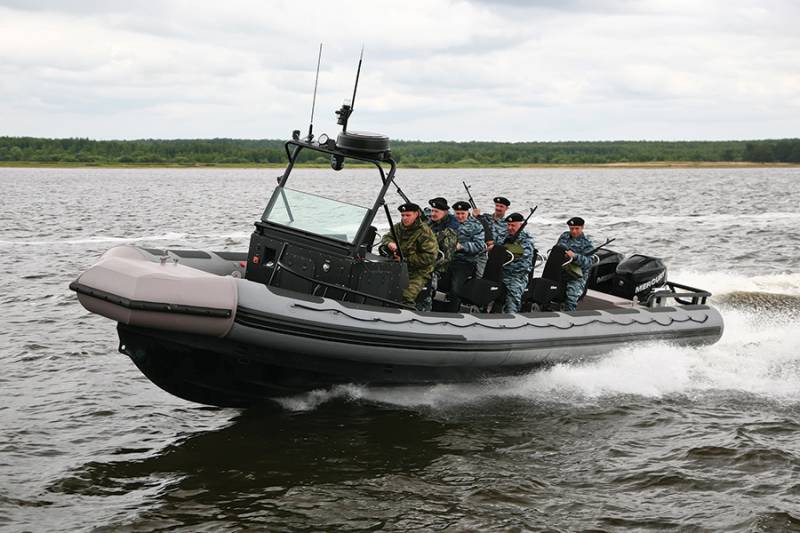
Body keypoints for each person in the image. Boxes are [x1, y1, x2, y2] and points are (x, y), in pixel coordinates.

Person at [379, 203, 439, 309]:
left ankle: (409, 313)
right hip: (398, 266)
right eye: (403, 215)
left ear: (416, 214)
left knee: (405, 296)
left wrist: (405, 259)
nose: (405, 218)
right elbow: (386, 237)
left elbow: (430, 257)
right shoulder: (398, 227)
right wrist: (390, 243)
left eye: (408, 215)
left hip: (419, 271)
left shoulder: (424, 232)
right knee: (379, 287)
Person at [446, 200, 486, 311]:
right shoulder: (449, 222)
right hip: (447, 260)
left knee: (456, 289)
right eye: (457, 213)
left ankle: (453, 313)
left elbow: (480, 246)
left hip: (466, 261)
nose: (460, 216)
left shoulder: (476, 225)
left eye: (462, 213)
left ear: (468, 212)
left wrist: (462, 247)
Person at [420, 197, 459, 311]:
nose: (433, 214)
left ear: (445, 212)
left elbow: (446, 257)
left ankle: (426, 311)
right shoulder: (430, 224)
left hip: (440, 267)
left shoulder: (450, 230)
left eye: (436, 211)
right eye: (432, 211)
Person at [556, 216, 595, 312]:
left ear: (582, 227)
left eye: (577, 228)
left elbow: (589, 262)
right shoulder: (564, 236)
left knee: (571, 297)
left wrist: (575, 256)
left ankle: (570, 318)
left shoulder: (587, 243)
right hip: (562, 271)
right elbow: (557, 249)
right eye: (571, 229)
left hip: (577, 275)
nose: (574, 231)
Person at [501, 212, 535, 313]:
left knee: (512, 302)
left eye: (513, 225)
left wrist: (503, 248)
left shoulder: (527, 240)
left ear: (520, 225)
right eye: (508, 225)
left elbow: (522, 252)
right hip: (501, 273)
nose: (510, 227)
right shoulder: (504, 236)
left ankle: (512, 318)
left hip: (517, 276)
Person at [473, 196, 511, 276]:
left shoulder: (508, 225)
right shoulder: (485, 218)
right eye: (497, 205)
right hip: (480, 254)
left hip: (496, 256)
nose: (498, 208)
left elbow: (510, 244)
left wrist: (495, 247)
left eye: (501, 206)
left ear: (506, 208)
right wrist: (474, 217)